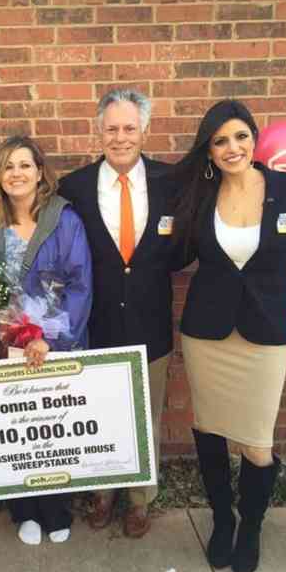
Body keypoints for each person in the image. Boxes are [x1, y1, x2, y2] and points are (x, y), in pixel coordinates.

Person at [170, 99, 286, 572]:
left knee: (257, 443)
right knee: (209, 430)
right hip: (207, 334)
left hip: (264, 335)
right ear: (209, 150)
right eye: (220, 141)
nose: (232, 148)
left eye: (240, 136)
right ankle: (222, 519)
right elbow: (177, 255)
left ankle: (251, 526)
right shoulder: (200, 193)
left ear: (255, 139)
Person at [58, 88, 181, 538]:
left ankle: (140, 499)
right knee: (99, 414)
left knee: (146, 416)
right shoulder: (74, 187)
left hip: (151, 322)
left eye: (130, 128)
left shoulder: (172, 182)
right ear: (99, 131)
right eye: (111, 128)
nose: (120, 137)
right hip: (96, 324)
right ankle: (102, 492)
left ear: (145, 130)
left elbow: (186, 244)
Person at [0, 135, 92, 545]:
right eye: (8, 166)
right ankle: (23, 510)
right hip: (4, 345)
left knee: (53, 430)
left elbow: (79, 285)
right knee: (16, 429)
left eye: (25, 165)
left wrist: (49, 338)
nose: (16, 174)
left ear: (40, 172)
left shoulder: (64, 220)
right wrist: (2, 329)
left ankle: (56, 509)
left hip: (53, 344)